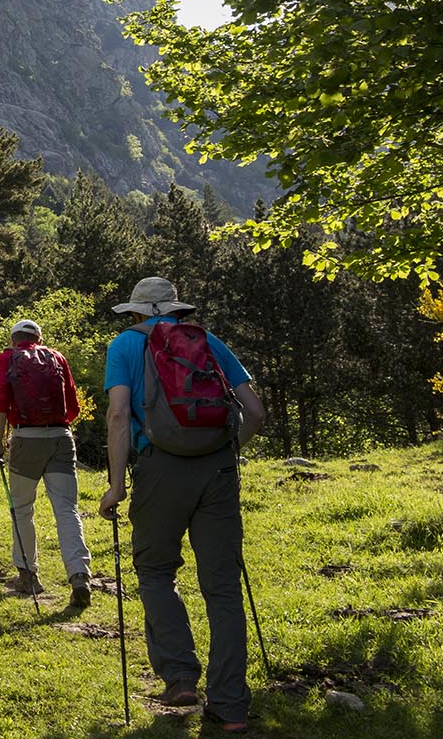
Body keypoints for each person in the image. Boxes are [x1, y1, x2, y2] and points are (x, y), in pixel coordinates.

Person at [97, 277, 267, 735]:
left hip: (158, 468)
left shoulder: (124, 346)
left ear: (136, 313)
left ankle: (180, 678)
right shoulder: (208, 341)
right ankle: (231, 705)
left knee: (155, 570)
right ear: (174, 310)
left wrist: (116, 486)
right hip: (217, 470)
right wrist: (228, 455)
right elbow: (254, 411)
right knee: (223, 587)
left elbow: (117, 415)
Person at [0, 319, 92, 605]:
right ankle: (79, 575)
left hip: (25, 439)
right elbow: (73, 407)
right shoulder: (57, 357)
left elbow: (0, 403)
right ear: (39, 337)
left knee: (22, 508)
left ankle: (28, 575)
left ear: (13, 339)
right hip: (61, 436)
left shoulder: (6, 359)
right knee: (67, 510)